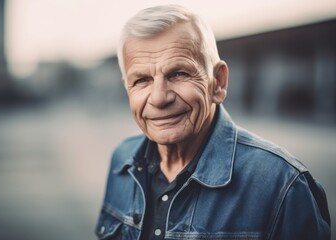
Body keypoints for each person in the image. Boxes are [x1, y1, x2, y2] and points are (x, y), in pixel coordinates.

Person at [95, 4, 330, 240]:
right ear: (127, 88)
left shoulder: (282, 185)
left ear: (218, 82)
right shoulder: (121, 162)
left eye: (179, 73)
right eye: (142, 80)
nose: (159, 98)